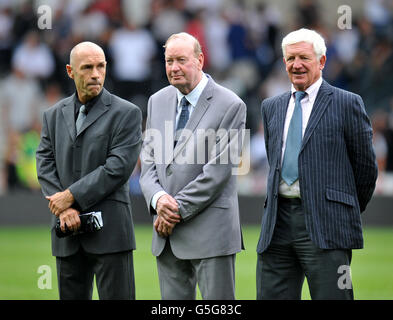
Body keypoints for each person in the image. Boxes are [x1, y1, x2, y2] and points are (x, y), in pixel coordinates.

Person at [256, 28, 378, 300]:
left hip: (327, 225)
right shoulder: (271, 106)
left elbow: (366, 170)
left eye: (304, 58)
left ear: (321, 62)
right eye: (290, 58)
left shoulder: (348, 103)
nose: (296, 64)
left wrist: (339, 210)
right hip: (276, 225)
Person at [139, 32, 246, 300]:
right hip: (166, 236)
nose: (173, 68)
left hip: (210, 233)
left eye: (181, 60)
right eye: (168, 61)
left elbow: (217, 173)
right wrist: (159, 198)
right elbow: (148, 164)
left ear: (200, 60)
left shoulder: (231, 105)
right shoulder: (157, 101)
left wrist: (172, 211)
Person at [36, 41, 142, 300]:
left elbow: (117, 168)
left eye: (101, 66)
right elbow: (44, 161)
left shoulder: (127, 113)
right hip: (67, 233)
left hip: (111, 234)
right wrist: (64, 207)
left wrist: (69, 196)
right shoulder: (53, 114)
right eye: (87, 68)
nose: (96, 74)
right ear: (71, 71)